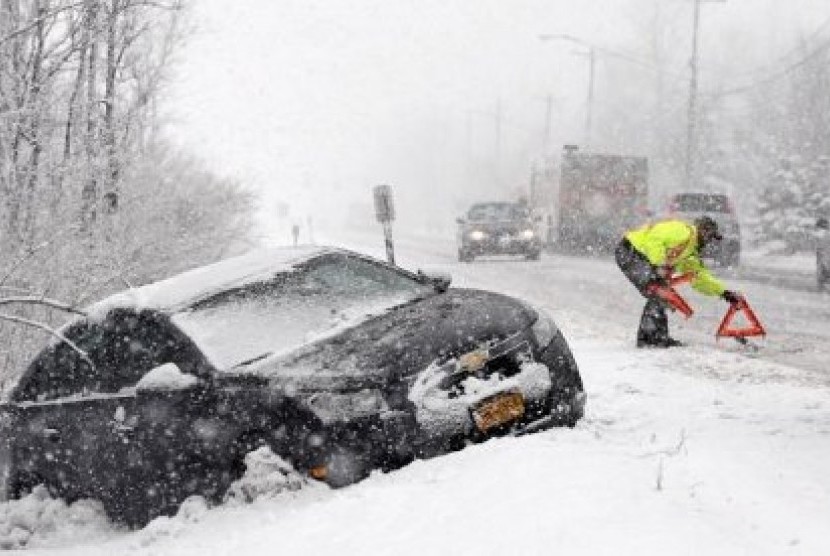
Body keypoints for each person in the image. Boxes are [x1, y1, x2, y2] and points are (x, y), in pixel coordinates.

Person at [615, 215, 741, 348]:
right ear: (703, 231)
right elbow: (654, 238)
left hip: (641, 257)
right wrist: (659, 264)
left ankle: (655, 337)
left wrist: (724, 293)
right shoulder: (684, 232)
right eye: (710, 236)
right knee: (659, 292)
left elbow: (698, 278)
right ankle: (651, 339)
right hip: (630, 251)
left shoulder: (690, 253)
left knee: (661, 293)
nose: (709, 242)